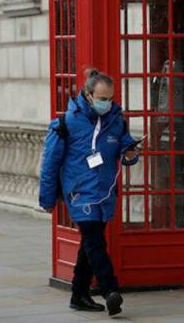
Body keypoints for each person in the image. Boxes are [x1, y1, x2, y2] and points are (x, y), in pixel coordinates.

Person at [40, 68, 139, 316]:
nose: (107, 103)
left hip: (104, 190)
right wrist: (48, 198)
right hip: (79, 191)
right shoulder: (67, 122)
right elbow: (50, 162)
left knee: (89, 243)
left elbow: (124, 148)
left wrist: (130, 154)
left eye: (110, 98)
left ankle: (78, 293)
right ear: (87, 94)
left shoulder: (116, 120)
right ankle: (110, 290)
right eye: (102, 98)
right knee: (95, 240)